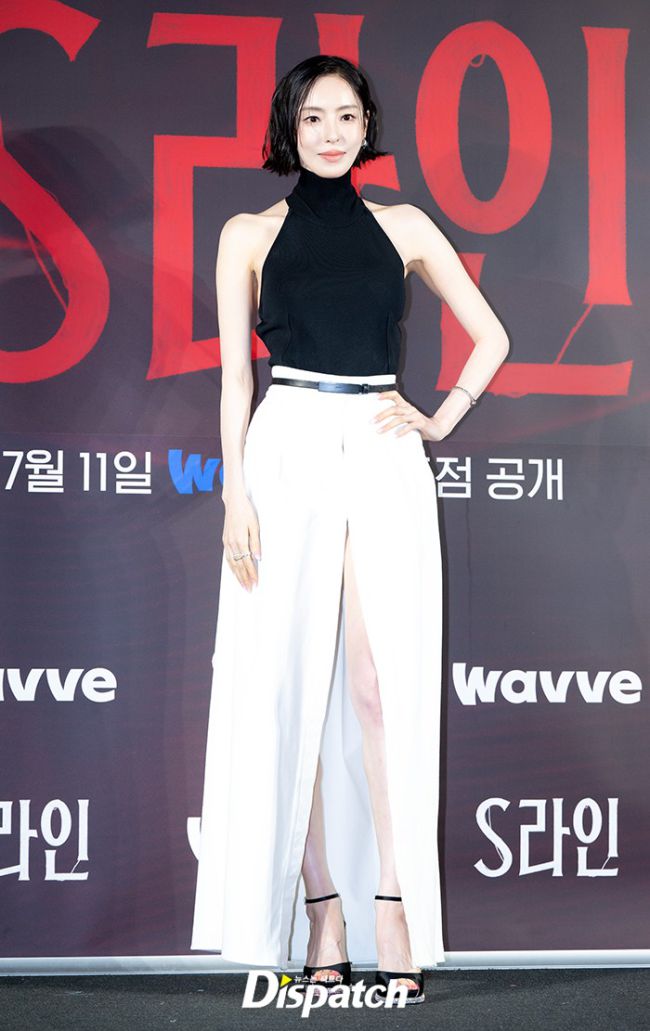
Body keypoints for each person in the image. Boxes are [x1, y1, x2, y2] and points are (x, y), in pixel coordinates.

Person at [191, 55, 509, 1006]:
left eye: (346, 116)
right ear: (287, 128)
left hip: (379, 440)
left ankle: (395, 906)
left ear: (368, 126)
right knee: (286, 682)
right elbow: (235, 380)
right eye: (313, 117)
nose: (330, 132)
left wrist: (441, 417)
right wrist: (235, 495)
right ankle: (321, 908)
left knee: (378, 684)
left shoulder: (404, 226)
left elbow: (491, 334)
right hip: (286, 440)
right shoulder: (248, 233)